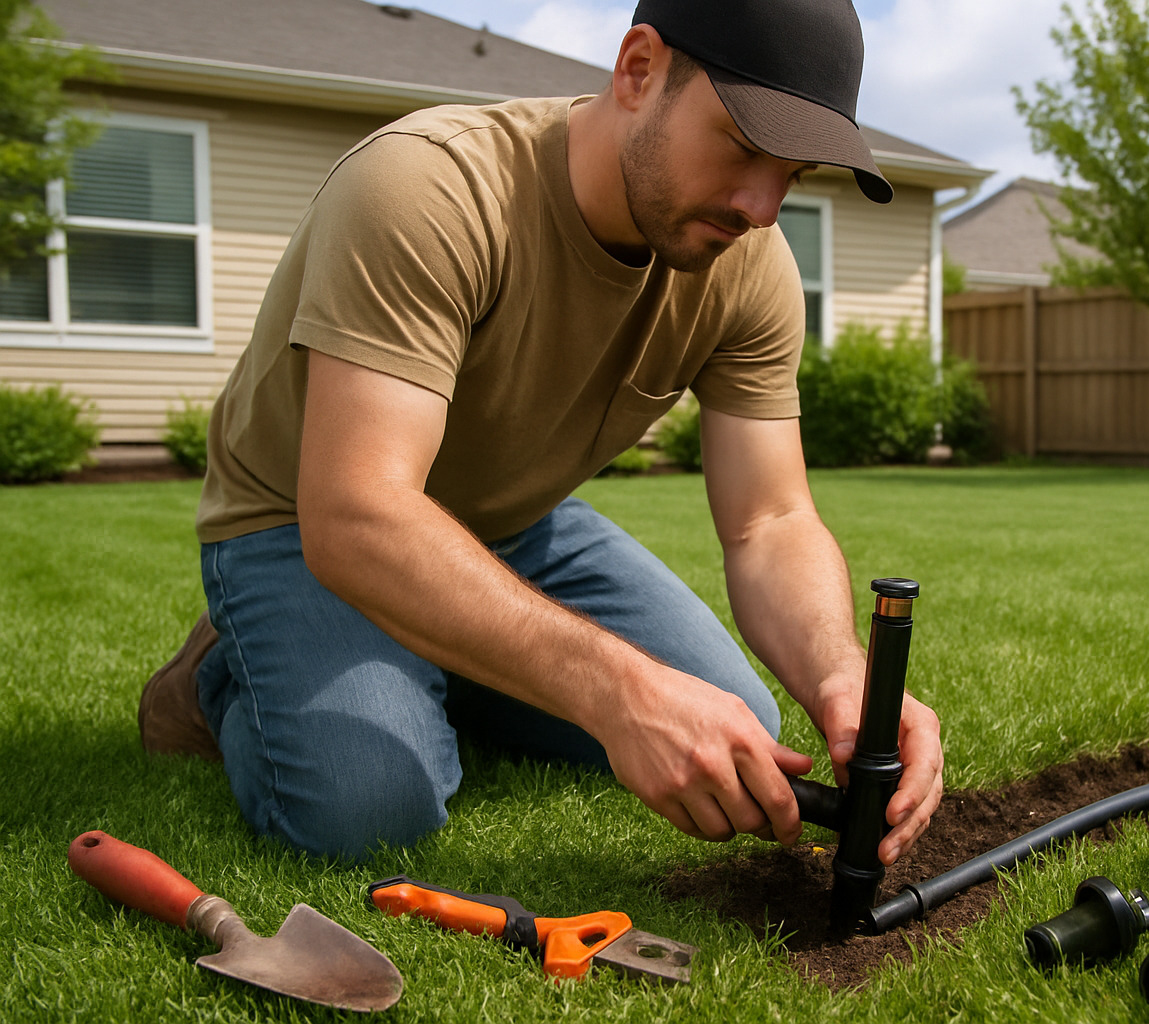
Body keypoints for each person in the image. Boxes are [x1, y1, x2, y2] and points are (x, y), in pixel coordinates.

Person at [139, 0, 943, 863]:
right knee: (369, 806)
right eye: (743, 145)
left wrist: (838, 672)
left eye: (795, 173)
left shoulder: (747, 265)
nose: (762, 204)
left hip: (512, 526)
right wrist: (615, 689)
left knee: (736, 724)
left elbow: (769, 519)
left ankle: (446, 663)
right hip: (302, 525)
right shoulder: (431, 187)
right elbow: (355, 514)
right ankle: (218, 676)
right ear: (639, 69)